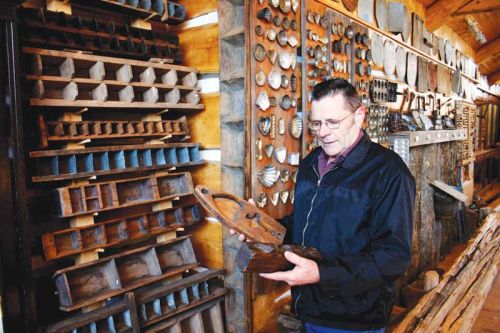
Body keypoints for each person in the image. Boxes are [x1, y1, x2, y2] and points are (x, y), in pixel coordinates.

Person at [233, 78, 415, 332]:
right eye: (317, 123)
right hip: (308, 307)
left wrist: (322, 274)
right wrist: (257, 225)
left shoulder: (389, 172)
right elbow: (302, 225)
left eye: (333, 122)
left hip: (354, 319)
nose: (323, 132)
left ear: (359, 115)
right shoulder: (310, 164)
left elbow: (393, 258)